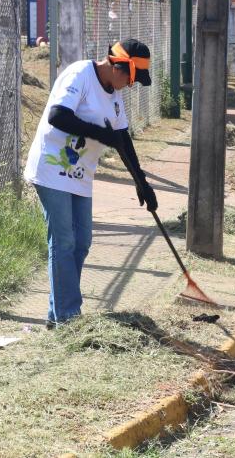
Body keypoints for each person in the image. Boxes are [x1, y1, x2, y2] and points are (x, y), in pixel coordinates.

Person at [24, 39, 158, 329]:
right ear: (116, 65)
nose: (132, 85)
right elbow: (57, 116)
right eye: (133, 77)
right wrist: (100, 134)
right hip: (51, 168)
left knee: (82, 242)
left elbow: (123, 141)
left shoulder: (114, 97)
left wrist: (142, 183)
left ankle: (55, 313)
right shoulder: (79, 75)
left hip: (80, 174)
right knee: (64, 241)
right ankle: (69, 319)